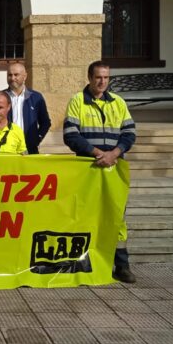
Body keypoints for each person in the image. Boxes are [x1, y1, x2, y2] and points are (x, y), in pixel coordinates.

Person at [63, 60, 137, 283]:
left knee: (117, 218)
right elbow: (70, 135)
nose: (102, 81)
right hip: (88, 169)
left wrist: (114, 153)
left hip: (114, 168)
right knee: (86, 216)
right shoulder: (77, 101)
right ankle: (86, 263)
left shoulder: (118, 103)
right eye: (98, 77)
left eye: (106, 77)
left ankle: (121, 265)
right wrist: (97, 153)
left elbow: (129, 133)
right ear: (89, 77)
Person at [0, 62, 51, 154]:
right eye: (9, 75)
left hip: (29, 150)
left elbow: (45, 122)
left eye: (16, 75)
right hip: (5, 150)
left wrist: (37, 138)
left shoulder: (36, 98)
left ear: (25, 76)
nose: (12, 78)